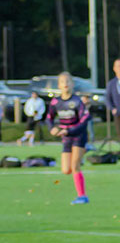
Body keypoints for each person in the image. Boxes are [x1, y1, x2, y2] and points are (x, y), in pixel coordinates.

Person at [46, 72, 90, 205]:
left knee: (75, 166)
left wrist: (69, 130)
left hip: (78, 136)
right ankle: (82, 153)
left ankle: (82, 196)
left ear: (72, 84)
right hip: (66, 138)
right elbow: (49, 118)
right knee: (66, 170)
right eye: (62, 82)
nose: (65, 84)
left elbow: (84, 121)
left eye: (68, 81)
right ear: (59, 85)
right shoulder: (55, 102)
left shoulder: (77, 101)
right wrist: (52, 129)